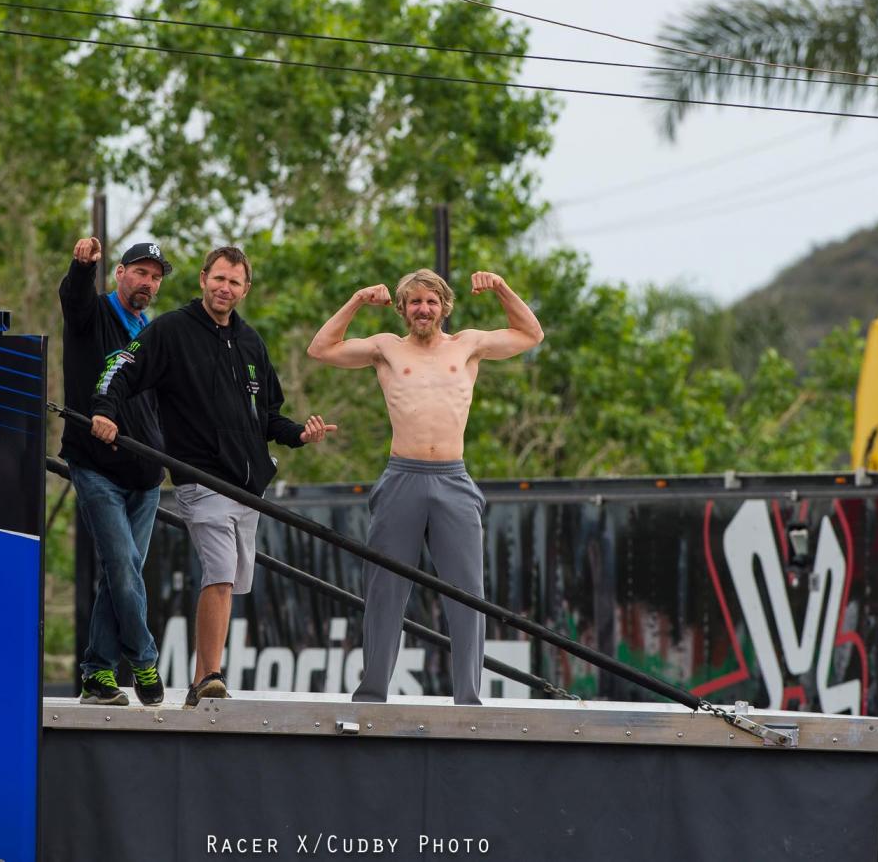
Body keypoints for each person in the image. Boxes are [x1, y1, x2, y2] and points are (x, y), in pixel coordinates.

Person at [90, 246, 336, 707]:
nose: (225, 288)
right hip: (200, 477)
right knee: (220, 574)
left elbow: (268, 417)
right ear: (203, 279)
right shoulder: (172, 331)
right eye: (218, 279)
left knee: (233, 581)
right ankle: (210, 678)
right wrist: (104, 411)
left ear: (246, 290)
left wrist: (301, 434)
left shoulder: (250, 342)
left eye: (235, 282)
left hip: (248, 485)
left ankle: (202, 683)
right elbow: (119, 368)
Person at [306, 268, 543, 705]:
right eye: (414, 302)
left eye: (431, 302)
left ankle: (468, 698)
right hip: (402, 477)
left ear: (444, 306)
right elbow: (321, 348)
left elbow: (530, 334)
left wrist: (502, 288)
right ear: (402, 309)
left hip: (453, 477)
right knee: (384, 590)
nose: (423, 309)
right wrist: (358, 299)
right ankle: (373, 692)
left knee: (468, 592)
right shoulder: (386, 349)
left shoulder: (468, 345)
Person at [59, 237, 173, 707]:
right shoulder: (94, 314)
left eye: (155, 277)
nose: (147, 282)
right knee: (124, 567)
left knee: (119, 574)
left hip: (146, 476)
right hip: (95, 466)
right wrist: (81, 267)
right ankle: (144, 658)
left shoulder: (152, 331)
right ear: (119, 274)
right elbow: (73, 300)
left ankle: (97, 675)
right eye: (140, 272)